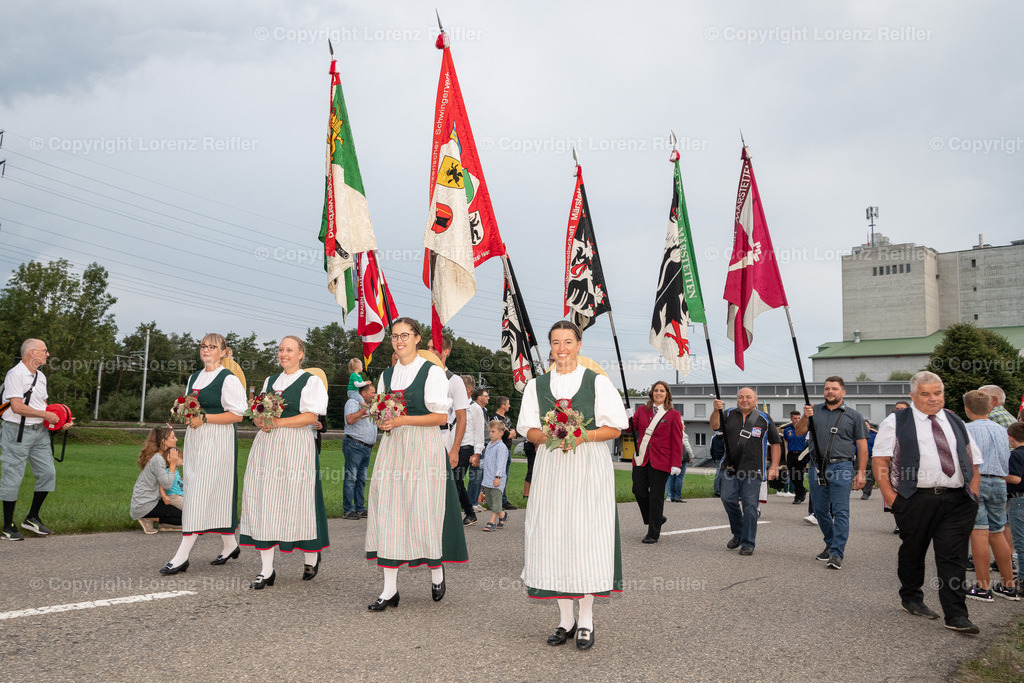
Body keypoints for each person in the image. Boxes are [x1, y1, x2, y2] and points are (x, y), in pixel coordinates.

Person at [518, 321, 627, 650]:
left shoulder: (597, 382)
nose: (562, 348)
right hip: (552, 465)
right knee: (553, 538)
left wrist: (581, 436)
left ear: (579, 345)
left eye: (568, 341)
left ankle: (587, 619)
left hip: (587, 465)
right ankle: (565, 619)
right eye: (556, 342)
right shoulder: (536, 385)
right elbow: (528, 429)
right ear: (550, 347)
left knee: (586, 539)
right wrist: (551, 435)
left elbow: (615, 428)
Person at [365, 318, 467, 610]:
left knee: (424, 509)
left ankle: (436, 571)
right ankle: (389, 590)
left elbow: (440, 417)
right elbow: (383, 411)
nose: (399, 341)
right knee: (388, 509)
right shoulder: (386, 375)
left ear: (417, 338)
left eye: (405, 335)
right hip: (393, 447)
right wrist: (383, 420)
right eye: (395, 336)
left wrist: (400, 420)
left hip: (423, 446)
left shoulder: (432, 371)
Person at [872, 371, 983, 634]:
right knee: (914, 551)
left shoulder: (955, 420)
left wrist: (973, 495)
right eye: (925, 394)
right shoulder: (896, 421)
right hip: (915, 499)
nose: (933, 398)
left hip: (957, 501)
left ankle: (956, 615)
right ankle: (911, 597)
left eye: (937, 393)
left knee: (953, 558)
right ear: (913, 396)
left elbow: (974, 460)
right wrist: (892, 498)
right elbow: (881, 460)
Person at [239, 336, 330, 589]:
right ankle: (266, 570)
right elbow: (258, 413)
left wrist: (277, 422)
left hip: (296, 445)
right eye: (280, 350)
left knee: (298, 500)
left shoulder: (310, 381)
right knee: (264, 500)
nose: (284, 354)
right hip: (267, 445)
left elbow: (311, 416)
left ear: (301, 354)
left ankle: (311, 554)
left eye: (289, 350)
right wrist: (259, 420)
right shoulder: (270, 381)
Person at [161, 333, 245, 575]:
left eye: (212, 347)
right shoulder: (194, 377)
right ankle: (230, 544)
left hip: (218, 440)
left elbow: (237, 415)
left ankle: (182, 556)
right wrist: (186, 415)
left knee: (199, 493)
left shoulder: (228, 379)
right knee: (203, 490)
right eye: (203, 346)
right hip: (196, 439)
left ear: (223, 352)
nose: (206, 350)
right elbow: (191, 409)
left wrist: (205, 418)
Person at [2, 339, 74, 541]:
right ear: (32, 352)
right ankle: (8, 526)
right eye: (44, 351)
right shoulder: (15, 374)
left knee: (47, 473)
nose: (47, 354)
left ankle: (32, 517)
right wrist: (45, 415)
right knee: (12, 477)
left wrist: (59, 421)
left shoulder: (40, 377)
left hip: (39, 431)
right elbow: (17, 407)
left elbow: (43, 406)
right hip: (16, 431)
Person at [795, 376, 868, 570]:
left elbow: (862, 446)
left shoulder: (854, 416)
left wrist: (861, 472)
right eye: (827, 388)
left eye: (834, 389)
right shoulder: (814, 411)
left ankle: (836, 553)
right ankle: (830, 542)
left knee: (840, 511)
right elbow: (799, 432)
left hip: (842, 467)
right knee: (819, 510)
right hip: (817, 467)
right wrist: (805, 416)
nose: (830, 392)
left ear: (843, 392)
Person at [961, 390, 1017, 601]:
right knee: (998, 531)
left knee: (978, 532)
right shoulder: (1002, 430)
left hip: (978, 481)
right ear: (990, 407)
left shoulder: (966, 429)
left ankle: (983, 586)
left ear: (967, 409)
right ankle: (1008, 585)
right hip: (1000, 482)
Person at [711, 388, 781, 556]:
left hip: (753, 469)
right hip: (730, 468)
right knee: (728, 499)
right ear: (737, 399)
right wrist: (715, 410)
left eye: (748, 397)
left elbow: (776, 443)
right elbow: (714, 425)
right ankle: (739, 533)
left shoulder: (764, 418)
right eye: (741, 397)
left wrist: (774, 466)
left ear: (755, 400)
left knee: (750, 505)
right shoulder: (728, 414)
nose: (744, 400)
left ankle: (748, 543)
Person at [629, 381, 683, 544]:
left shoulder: (673, 414)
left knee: (656, 496)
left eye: (662, 391)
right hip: (641, 457)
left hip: (662, 460)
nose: (658, 393)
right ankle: (657, 518)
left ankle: (653, 533)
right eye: (656, 390)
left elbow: (677, 440)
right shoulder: (641, 410)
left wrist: (676, 463)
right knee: (638, 490)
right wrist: (627, 418)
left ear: (667, 394)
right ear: (652, 393)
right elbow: (630, 429)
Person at [429, 336, 472, 525]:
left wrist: (455, 449)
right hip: (421, 434)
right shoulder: (422, 377)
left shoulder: (454, 380)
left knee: (443, 486)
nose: (429, 351)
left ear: (445, 352)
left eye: (434, 348)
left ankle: (446, 525)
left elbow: (462, 418)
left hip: (443, 436)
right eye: (428, 347)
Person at [130, 426, 183, 534]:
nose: (176, 439)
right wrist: (172, 464)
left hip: (149, 502)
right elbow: (167, 485)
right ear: (164, 441)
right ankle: (148, 518)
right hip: (145, 505)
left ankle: (166, 524)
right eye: (173, 437)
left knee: (185, 517)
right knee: (187, 517)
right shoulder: (158, 459)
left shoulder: (159, 456)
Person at [342, 383, 377, 520]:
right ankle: (348, 509)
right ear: (364, 393)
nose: (374, 395)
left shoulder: (372, 406)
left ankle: (360, 508)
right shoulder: (353, 402)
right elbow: (350, 419)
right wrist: (363, 410)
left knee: (361, 479)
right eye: (372, 392)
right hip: (354, 445)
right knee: (351, 478)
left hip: (367, 448)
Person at [480, 420, 510, 532]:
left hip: (497, 480)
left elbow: (501, 464)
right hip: (487, 479)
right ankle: (502, 515)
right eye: (490, 431)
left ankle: (491, 522)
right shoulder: (489, 445)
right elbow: (487, 460)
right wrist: (478, 463)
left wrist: (498, 477)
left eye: (493, 431)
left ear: (501, 432)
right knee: (490, 501)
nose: (491, 434)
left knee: (496, 502)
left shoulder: (501, 447)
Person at [1005, 422, 1024, 594]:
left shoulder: (1016, 455)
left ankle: (1023, 580)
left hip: (1018, 499)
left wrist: (1001, 475)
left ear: (1010, 438)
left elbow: (1016, 478)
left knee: (1021, 542)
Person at [492, 396, 519, 511]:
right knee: (499, 476)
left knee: (505, 476)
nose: (509, 406)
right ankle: (499, 501)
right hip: (500, 451)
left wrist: (511, 433)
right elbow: (507, 435)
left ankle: (503, 499)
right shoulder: (496, 419)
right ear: (503, 405)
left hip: (508, 450)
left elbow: (514, 433)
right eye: (508, 403)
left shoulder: (506, 419)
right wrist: (510, 433)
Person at [465, 383, 488, 511]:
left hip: (482, 445)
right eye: (486, 395)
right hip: (475, 446)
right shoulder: (473, 408)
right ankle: (470, 503)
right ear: (479, 397)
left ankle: (475, 500)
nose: (488, 398)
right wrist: (477, 447)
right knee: (475, 475)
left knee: (480, 476)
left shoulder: (484, 410)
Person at [782, 410, 809, 504]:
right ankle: (802, 490)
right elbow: (786, 441)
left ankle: (798, 497)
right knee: (792, 475)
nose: (797, 420)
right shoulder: (787, 430)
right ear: (791, 419)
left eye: (798, 418)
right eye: (795, 418)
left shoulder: (804, 429)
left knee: (798, 476)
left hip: (801, 455)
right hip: (791, 454)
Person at [665, 422, 694, 504]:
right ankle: (678, 496)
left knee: (672, 477)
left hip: (672, 458)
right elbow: (687, 446)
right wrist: (691, 456)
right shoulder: (683, 434)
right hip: (681, 458)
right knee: (679, 477)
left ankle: (672, 496)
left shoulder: (671, 433)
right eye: (683, 424)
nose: (685, 426)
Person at [861, 421, 877, 499]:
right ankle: (864, 487)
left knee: (870, 476)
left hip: (871, 457)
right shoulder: (857, 435)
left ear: (869, 426)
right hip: (860, 457)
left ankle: (866, 493)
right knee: (855, 474)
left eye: (867, 425)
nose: (865, 427)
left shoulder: (875, 436)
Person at [710, 432, 725, 498]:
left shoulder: (714, 438)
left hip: (716, 458)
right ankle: (720, 491)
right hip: (723, 458)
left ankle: (717, 490)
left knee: (718, 474)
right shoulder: (725, 438)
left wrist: (714, 458)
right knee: (724, 475)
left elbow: (712, 449)